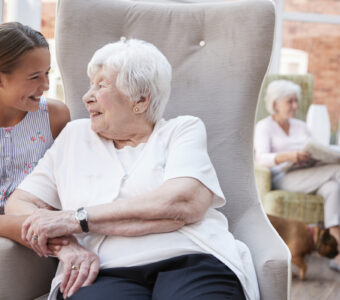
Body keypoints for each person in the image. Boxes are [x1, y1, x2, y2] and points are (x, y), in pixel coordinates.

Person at [6, 39, 259, 300]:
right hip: (100, 269)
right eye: (91, 85)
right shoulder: (75, 135)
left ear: (140, 99)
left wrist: (76, 219)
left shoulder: (180, 130)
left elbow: (182, 202)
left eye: (101, 85)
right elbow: (21, 203)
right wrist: (65, 245)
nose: (86, 96)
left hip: (191, 257)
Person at [254, 79, 340, 271]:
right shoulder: (264, 126)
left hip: (312, 174)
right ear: (275, 103)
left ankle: (336, 239)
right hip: (284, 177)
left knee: (333, 187)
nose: (295, 106)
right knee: (338, 171)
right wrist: (288, 156)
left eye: (296, 101)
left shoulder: (302, 126)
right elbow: (261, 159)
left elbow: (319, 149)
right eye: (290, 101)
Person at [0, 22, 70, 247]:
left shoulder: (55, 117)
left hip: (45, 230)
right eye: (34, 77)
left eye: (47, 73)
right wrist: (18, 226)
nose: (46, 85)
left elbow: (68, 188)